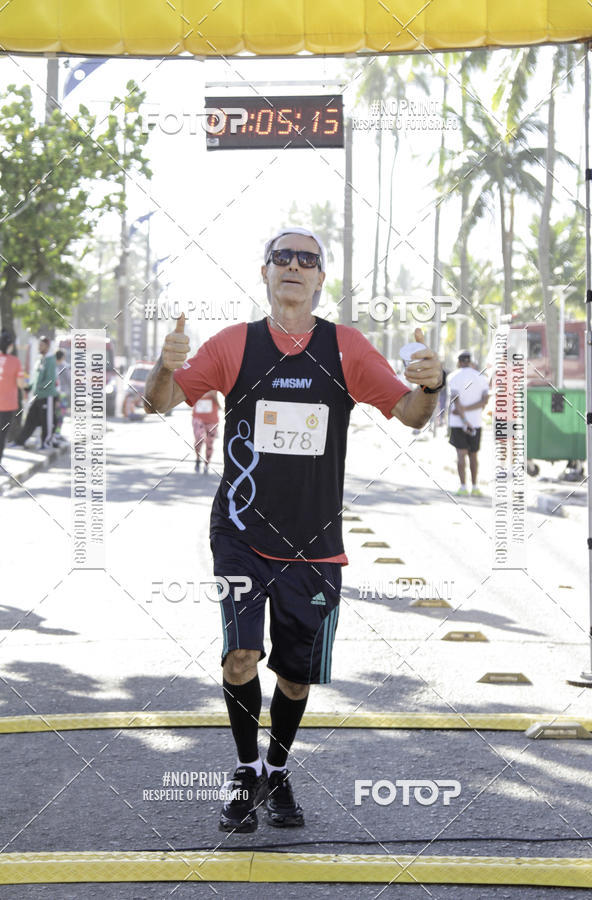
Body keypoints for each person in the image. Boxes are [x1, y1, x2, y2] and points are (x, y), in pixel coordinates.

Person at [144, 226, 444, 833]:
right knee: (240, 656)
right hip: (240, 530)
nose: (294, 267)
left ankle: (277, 770)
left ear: (320, 279)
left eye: (307, 260)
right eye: (282, 256)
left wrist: (431, 385)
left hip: (314, 545)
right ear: (265, 272)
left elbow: (409, 415)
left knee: (296, 677)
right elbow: (160, 401)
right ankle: (246, 770)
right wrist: (163, 365)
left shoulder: (346, 349)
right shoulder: (235, 345)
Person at [447, 349, 489, 496]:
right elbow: (484, 401)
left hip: (459, 422)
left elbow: (455, 400)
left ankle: (463, 487)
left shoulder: (453, 377)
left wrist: (464, 417)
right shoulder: (481, 377)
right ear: (470, 361)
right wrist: (469, 411)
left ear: (459, 362)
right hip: (476, 421)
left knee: (461, 454)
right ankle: (475, 487)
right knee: (473, 455)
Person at [15, 336, 58, 450]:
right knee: (30, 419)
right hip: (37, 395)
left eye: (41, 345)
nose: (39, 347)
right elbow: (36, 377)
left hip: (47, 396)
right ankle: (20, 442)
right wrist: (29, 387)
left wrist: (38, 387)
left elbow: (50, 380)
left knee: (47, 421)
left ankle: (46, 443)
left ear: (47, 347)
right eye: (39, 345)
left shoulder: (50, 360)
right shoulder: (40, 359)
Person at [0, 331, 25, 465]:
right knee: (2, 434)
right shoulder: (15, 361)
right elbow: (20, 384)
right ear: (10, 346)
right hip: (7, 405)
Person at [192, 389, 220, 473]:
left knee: (209, 443)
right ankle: (197, 458)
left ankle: (207, 463)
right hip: (198, 417)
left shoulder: (216, 384)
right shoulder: (196, 383)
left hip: (212, 419)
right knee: (199, 438)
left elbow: (221, 405)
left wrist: (213, 395)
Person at [53, 349, 70, 441]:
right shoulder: (64, 366)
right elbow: (69, 379)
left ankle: (53, 433)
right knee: (60, 415)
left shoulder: (52, 366)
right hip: (62, 394)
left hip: (53, 394)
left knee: (54, 414)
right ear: (62, 357)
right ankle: (57, 433)